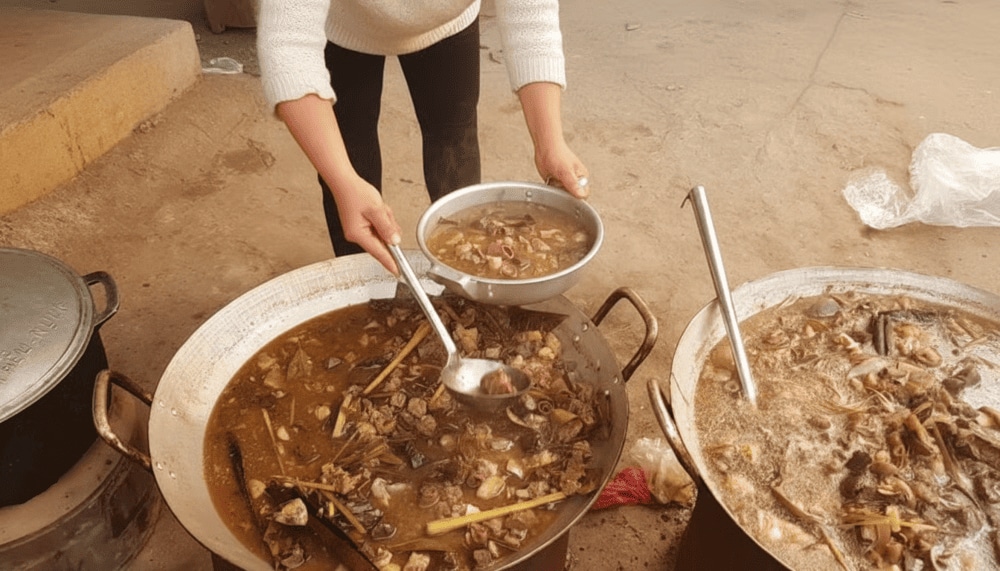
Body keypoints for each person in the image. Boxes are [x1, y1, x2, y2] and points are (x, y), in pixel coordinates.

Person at [257, 0, 589, 274]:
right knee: (351, 164)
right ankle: (360, 280)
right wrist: (343, 180)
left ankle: (468, 272)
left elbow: (531, 15)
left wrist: (550, 144)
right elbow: (288, 44)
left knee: (454, 146)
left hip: (448, 23)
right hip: (345, 26)